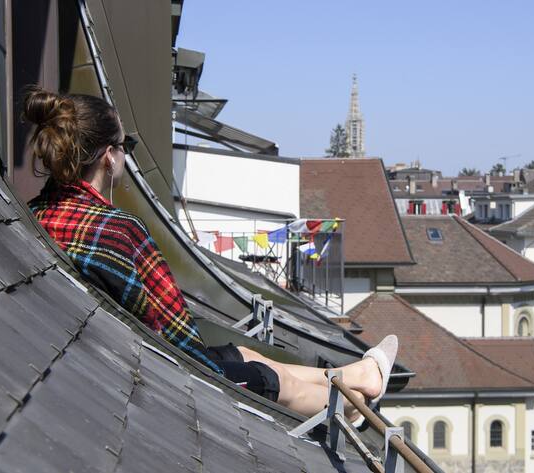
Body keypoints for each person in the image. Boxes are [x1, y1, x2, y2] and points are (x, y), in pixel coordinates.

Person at [24, 88, 397, 419]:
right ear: (109, 157)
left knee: (250, 356)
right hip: (165, 377)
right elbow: (175, 337)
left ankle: (360, 376)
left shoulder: (40, 211)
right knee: (276, 380)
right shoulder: (117, 230)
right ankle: (352, 405)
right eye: (126, 147)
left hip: (113, 358)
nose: (127, 155)